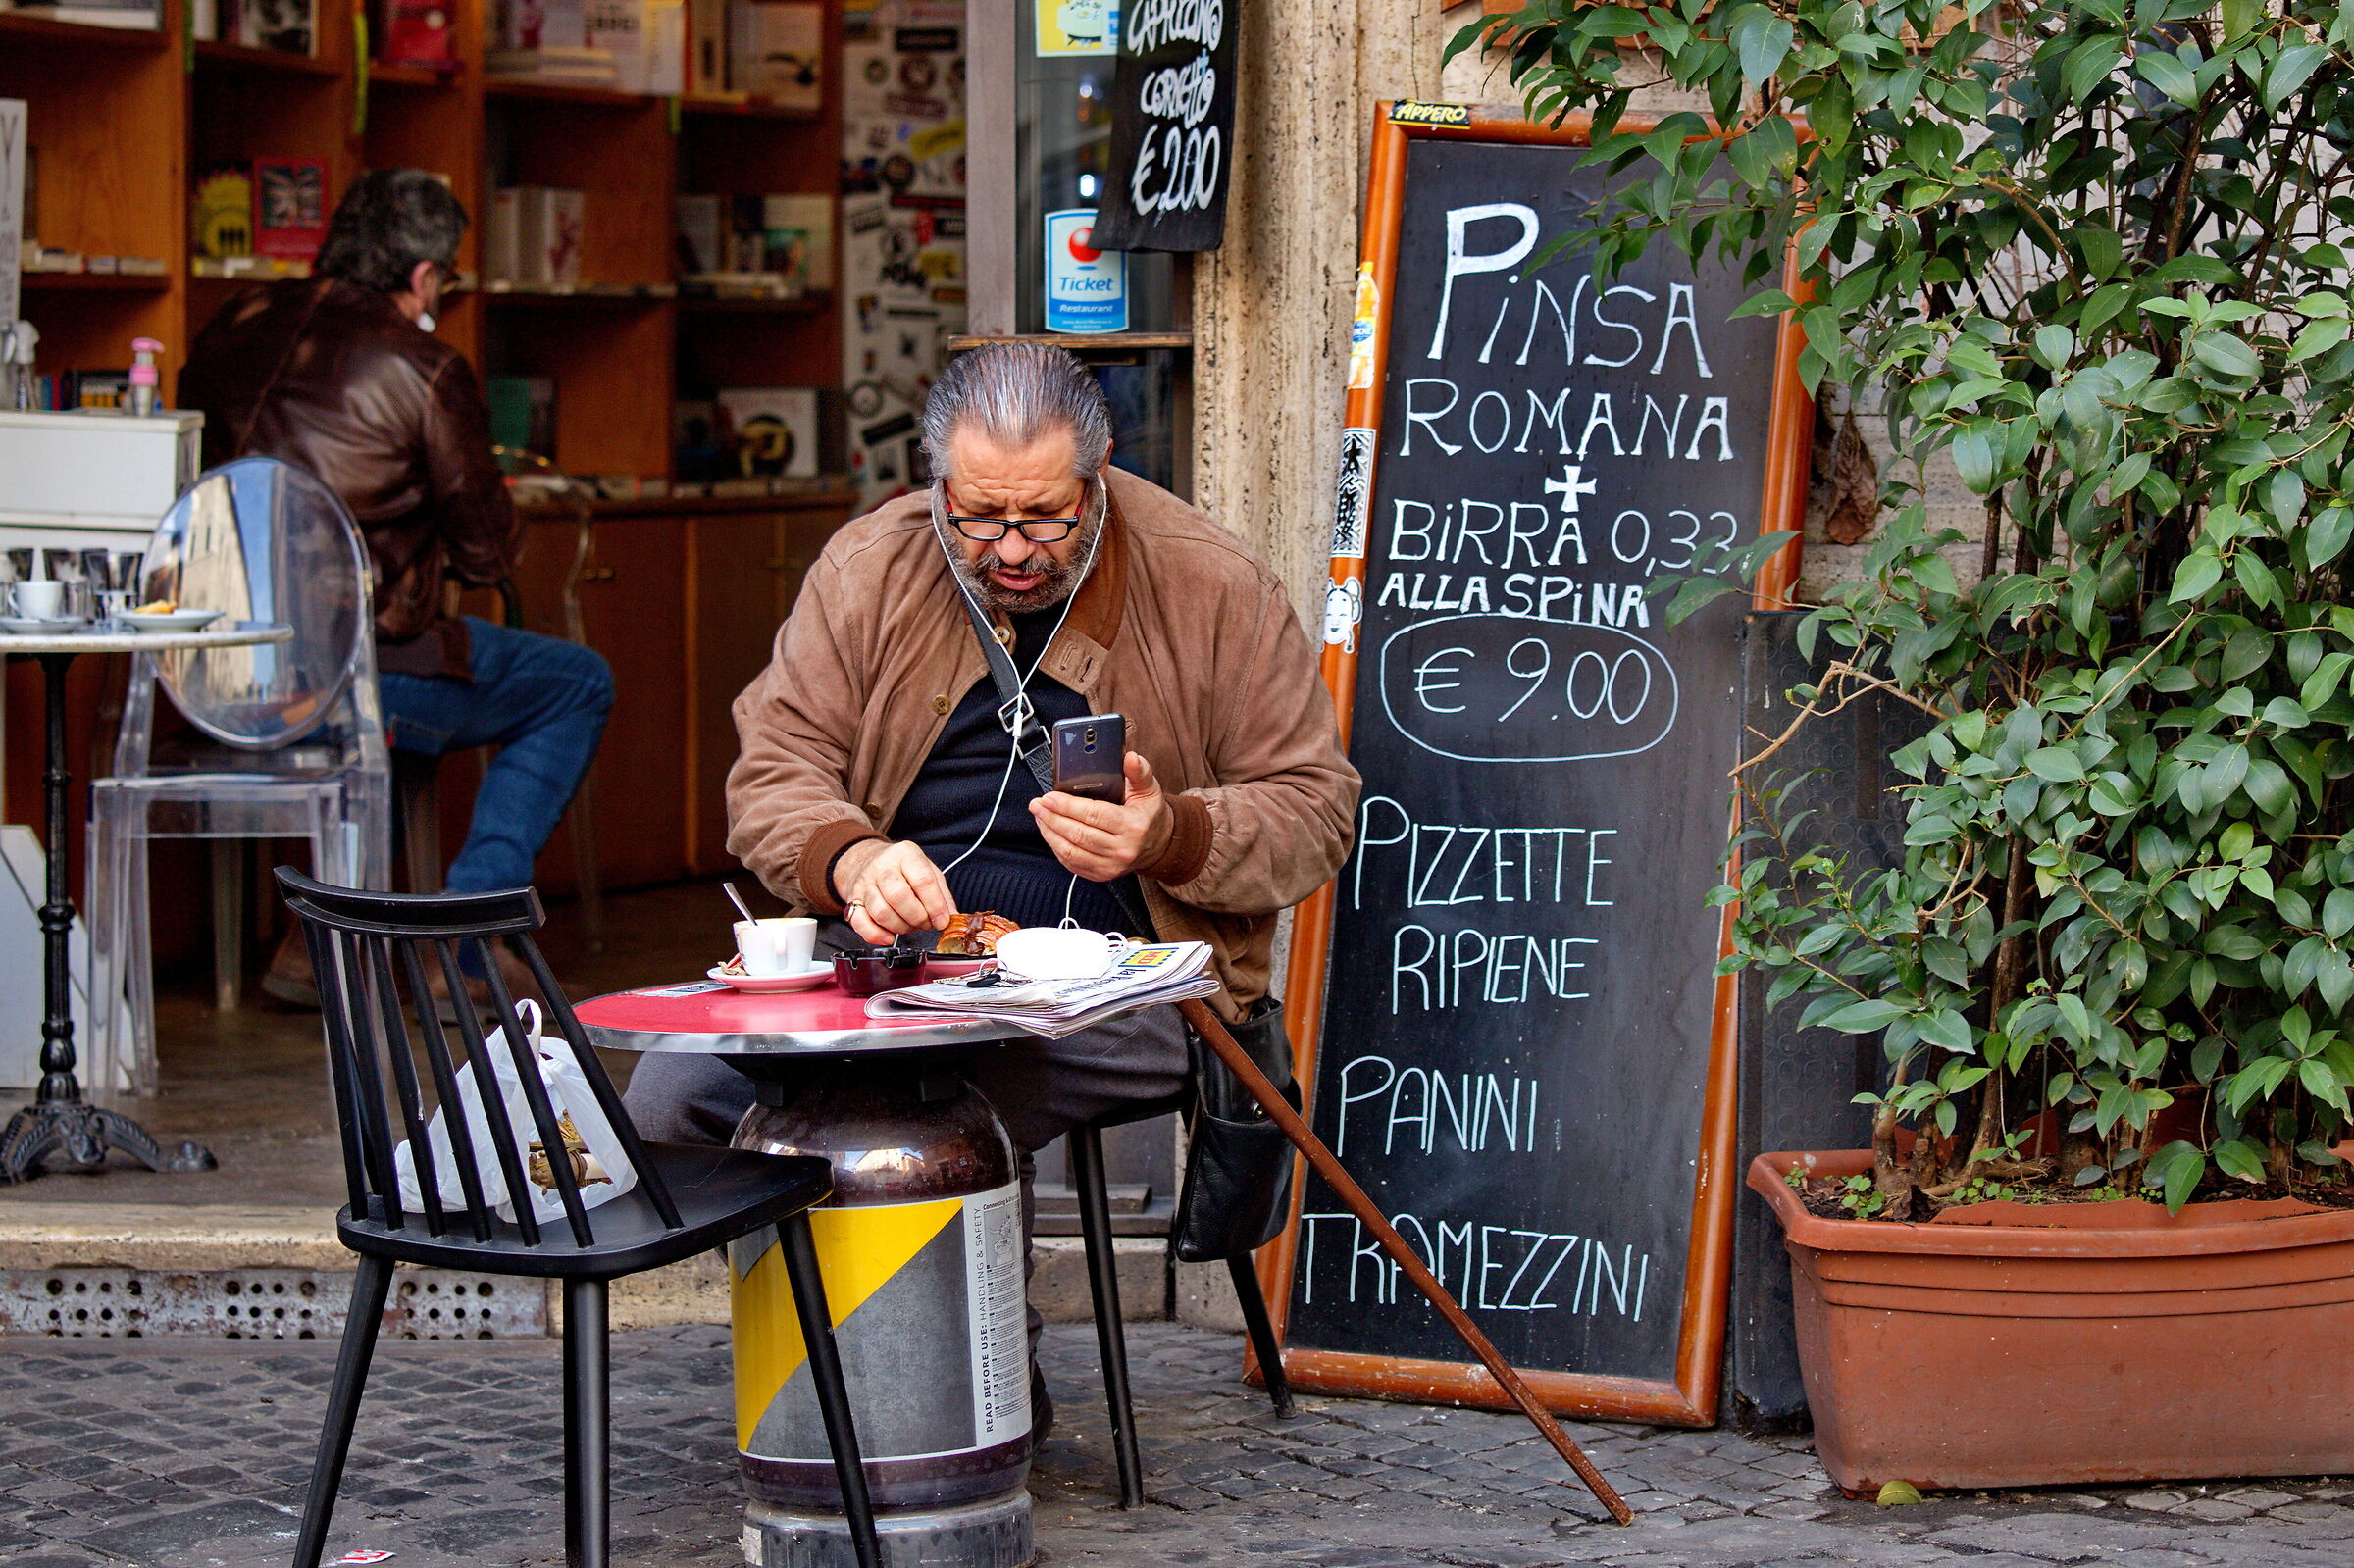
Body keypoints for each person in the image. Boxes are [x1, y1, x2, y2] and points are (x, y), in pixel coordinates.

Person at [624, 341, 1359, 1426]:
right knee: (677, 1097)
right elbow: (771, 772)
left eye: (1046, 519)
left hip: (1130, 974)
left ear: (1098, 476)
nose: (1012, 550)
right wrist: (852, 859)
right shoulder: (870, 566)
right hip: (906, 954)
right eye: (978, 518)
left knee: (942, 1110)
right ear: (938, 485)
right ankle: (842, 1365)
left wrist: (1171, 835)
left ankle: (970, 1394)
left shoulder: (1209, 580)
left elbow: (1316, 807)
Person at [178, 170, 614, 1004]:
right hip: (364, 670)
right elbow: (488, 552)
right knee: (577, 682)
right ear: (424, 277)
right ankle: (469, 930)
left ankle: (312, 936)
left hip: (219, 674)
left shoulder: (230, 327)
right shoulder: (423, 367)